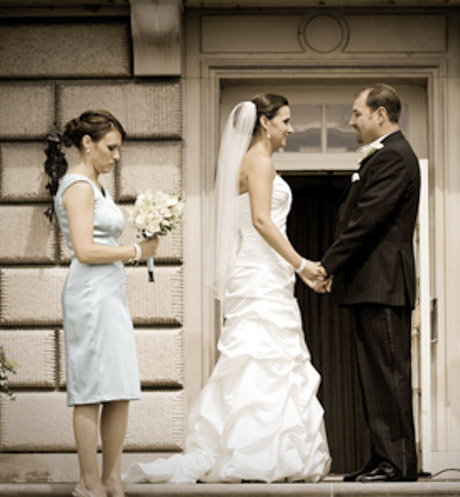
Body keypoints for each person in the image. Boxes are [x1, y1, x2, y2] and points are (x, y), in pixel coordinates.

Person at [126, 94, 332, 483]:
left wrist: (294, 270)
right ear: (265, 123)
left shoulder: (246, 162)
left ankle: (254, 449)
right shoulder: (260, 161)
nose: (291, 128)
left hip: (260, 270)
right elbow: (260, 219)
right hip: (261, 271)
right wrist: (302, 264)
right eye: (286, 121)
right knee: (263, 357)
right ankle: (261, 455)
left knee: (259, 357)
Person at [318, 84, 423, 483]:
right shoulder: (384, 155)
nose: (350, 121)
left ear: (381, 114)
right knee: (375, 376)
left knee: (389, 375)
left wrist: (328, 265)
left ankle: (397, 462)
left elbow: (367, 220)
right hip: (370, 284)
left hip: (384, 283)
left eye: (357, 113)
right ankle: (383, 456)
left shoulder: (395, 156)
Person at [47, 110, 155, 497]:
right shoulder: (77, 186)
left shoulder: (99, 187)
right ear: (87, 144)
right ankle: (88, 481)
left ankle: (113, 478)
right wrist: (134, 250)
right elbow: (84, 249)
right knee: (92, 388)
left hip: (111, 293)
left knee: (119, 386)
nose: (117, 156)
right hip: (90, 294)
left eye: (119, 149)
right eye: (111, 148)